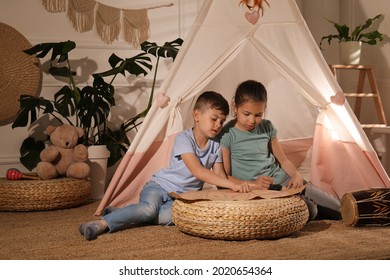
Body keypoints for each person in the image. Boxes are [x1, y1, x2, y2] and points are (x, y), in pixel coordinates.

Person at [79, 91, 259, 241]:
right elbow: (198, 171)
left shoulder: (216, 146)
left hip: (180, 197)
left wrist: (244, 188)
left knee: (173, 217)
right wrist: (233, 185)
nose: (218, 125)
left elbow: (221, 178)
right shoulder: (184, 139)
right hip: (160, 187)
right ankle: (101, 224)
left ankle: (124, 212)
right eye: (214, 119)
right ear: (197, 115)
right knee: (149, 210)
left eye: (222, 121)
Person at [218, 80, 341, 220]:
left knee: (338, 208)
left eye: (258, 115)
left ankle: (301, 199)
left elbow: (283, 160)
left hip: (285, 181)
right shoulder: (226, 135)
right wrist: (254, 184)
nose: (252, 120)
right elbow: (225, 177)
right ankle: (300, 204)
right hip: (262, 191)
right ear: (234, 106)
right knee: (310, 210)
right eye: (246, 114)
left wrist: (296, 175)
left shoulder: (267, 127)